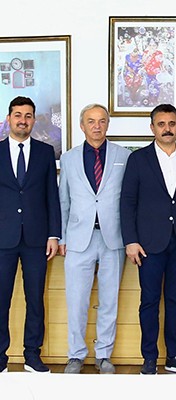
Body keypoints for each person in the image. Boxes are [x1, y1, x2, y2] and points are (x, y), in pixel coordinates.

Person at [120, 104, 176, 375]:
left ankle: (175, 356)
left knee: (175, 301)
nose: (167, 129)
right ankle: (149, 358)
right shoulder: (138, 159)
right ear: (152, 128)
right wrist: (130, 240)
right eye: (161, 124)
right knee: (149, 301)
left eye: (171, 123)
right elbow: (127, 202)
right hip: (148, 243)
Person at [58, 104, 131, 374]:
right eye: (91, 121)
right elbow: (63, 201)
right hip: (78, 238)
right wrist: (62, 237)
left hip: (113, 238)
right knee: (76, 300)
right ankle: (75, 355)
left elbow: (129, 199)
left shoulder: (124, 156)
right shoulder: (68, 158)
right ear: (82, 126)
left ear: (107, 124)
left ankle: (103, 355)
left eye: (101, 121)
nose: (97, 126)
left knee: (109, 300)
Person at [0, 96, 61, 373]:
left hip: (37, 239)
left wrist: (53, 234)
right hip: (3, 238)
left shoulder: (45, 152)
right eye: (18, 115)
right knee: (1, 299)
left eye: (28, 116)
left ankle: (32, 354)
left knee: (35, 299)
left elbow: (51, 195)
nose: (22, 120)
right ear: (9, 119)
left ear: (34, 120)